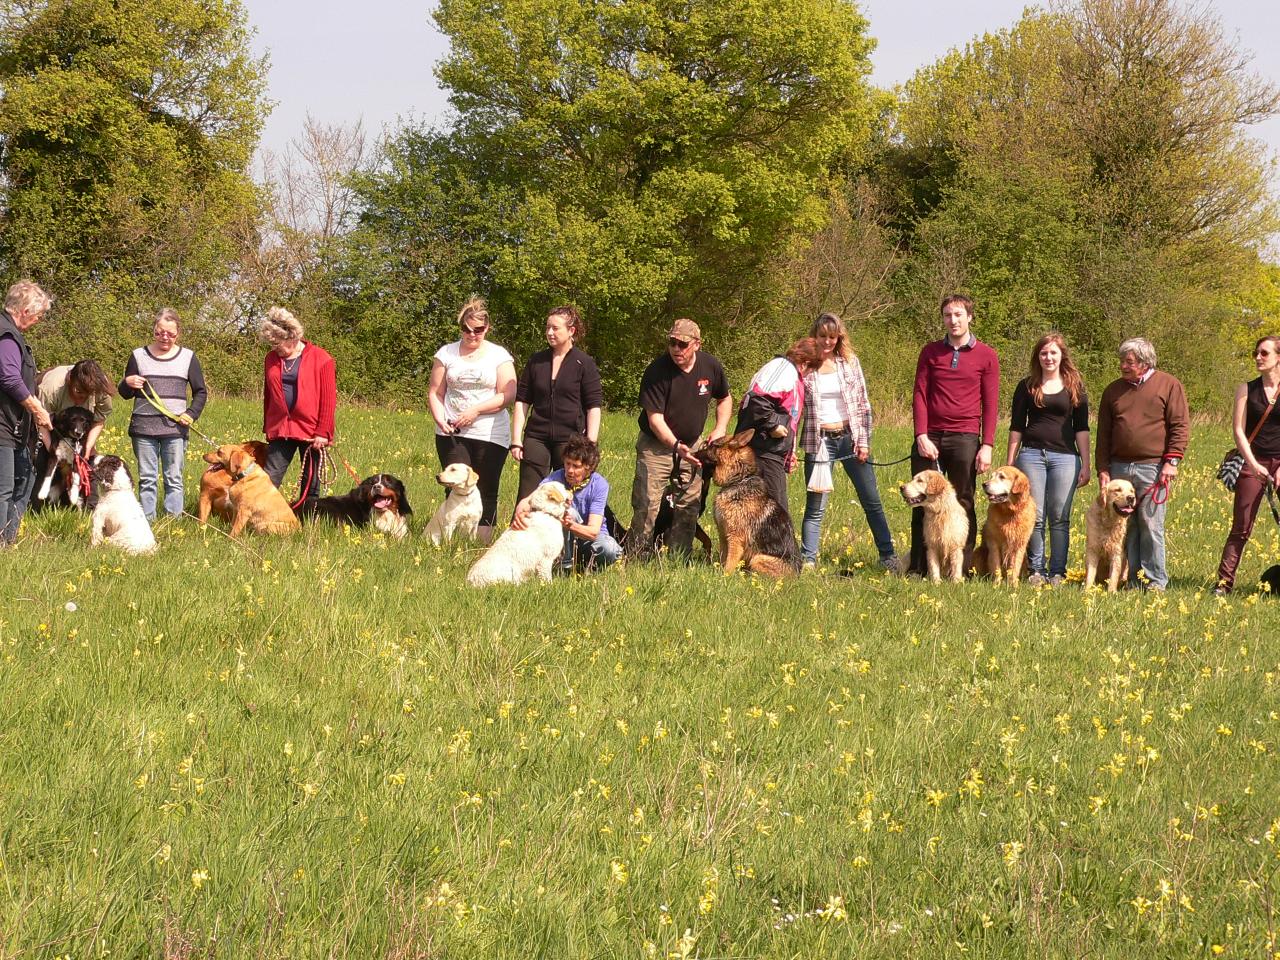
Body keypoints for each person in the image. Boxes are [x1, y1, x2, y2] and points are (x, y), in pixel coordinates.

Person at [799, 313, 899, 573]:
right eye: (822, 336)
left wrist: (863, 443)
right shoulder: (805, 366)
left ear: (839, 337)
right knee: (816, 505)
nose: (827, 342)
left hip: (850, 438)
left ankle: (887, 555)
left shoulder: (850, 363)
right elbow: (794, 407)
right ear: (815, 336)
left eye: (832, 337)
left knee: (871, 499)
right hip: (819, 441)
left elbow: (863, 405)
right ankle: (808, 560)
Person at [909, 294, 1000, 576]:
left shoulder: (987, 355)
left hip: (965, 436)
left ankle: (963, 568)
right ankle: (919, 567)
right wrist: (921, 435)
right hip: (930, 436)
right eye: (948, 315)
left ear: (970, 317)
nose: (953, 320)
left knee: (963, 500)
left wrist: (986, 445)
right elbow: (920, 394)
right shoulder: (931, 352)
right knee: (919, 499)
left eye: (959, 314)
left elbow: (991, 403)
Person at [627, 318, 732, 558]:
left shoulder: (710, 366)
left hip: (693, 445)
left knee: (689, 504)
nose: (676, 349)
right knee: (647, 504)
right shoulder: (656, 372)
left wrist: (720, 427)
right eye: (672, 343)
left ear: (697, 344)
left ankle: (678, 558)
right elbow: (655, 420)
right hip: (656, 446)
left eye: (682, 344)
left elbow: (725, 398)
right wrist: (676, 446)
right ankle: (636, 558)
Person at [1096, 337, 1189, 591]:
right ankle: (1134, 581)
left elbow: (1180, 426)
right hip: (1120, 468)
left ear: (1145, 363)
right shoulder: (1113, 391)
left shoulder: (1169, 385)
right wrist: (1103, 469)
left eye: (1129, 362)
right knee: (1126, 526)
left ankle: (1155, 581)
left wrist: (1171, 461)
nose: (1123, 366)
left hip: (1153, 467)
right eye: (1122, 361)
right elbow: (1103, 433)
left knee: (1150, 523)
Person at [1005, 333, 1091, 586]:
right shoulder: (1027, 385)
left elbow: (1082, 428)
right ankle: (1036, 570)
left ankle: (1057, 572)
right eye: (1044, 353)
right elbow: (1016, 426)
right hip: (1031, 455)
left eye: (1053, 352)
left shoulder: (1075, 386)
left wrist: (1086, 464)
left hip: (1065, 458)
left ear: (1062, 355)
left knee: (1060, 517)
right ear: (1038, 357)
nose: (1049, 357)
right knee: (1035, 516)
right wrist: (1010, 465)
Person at [429, 298, 516, 543]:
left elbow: (507, 394)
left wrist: (476, 410)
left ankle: (480, 545)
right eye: (466, 329)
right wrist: (441, 419)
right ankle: (449, 543)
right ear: (461, 327)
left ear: (486, 329)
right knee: (454, 483)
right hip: (452, 433)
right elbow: (435, 392)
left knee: (486, 490)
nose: (471, 335)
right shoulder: (446, 353)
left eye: (477, 330)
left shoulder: (499, 355)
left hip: (490, 433)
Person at [118, 308, 208, 519]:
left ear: (178, 334)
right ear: (154, 331)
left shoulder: (188, 357)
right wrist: (127, 383)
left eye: (170, 333)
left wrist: (191, 413)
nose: (164, 337)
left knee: (173, 477)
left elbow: (201, 392)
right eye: (160, 332)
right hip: (143, 428)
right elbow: (124, 394)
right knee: (147, 478)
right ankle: (146, 521)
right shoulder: (138, 356)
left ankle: (172, 521)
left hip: (175, 429)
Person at [511, 305, 603, 504]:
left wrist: (590, 444)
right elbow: (522, 401)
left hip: (570, 441)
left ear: (571, 331)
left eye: (555, 328)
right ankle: (523, 533)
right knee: (528, 497)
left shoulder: (584, 363)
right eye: (547, 328)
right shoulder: (536, 361)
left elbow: (593, 406)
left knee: (567, 498)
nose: (550, 332)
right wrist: (516, 439)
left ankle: (569, 535)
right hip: (536, 438)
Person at [1213, 336, 1280, 595]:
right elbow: (1239, 432)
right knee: (1241, 527)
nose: (1258, 358)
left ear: (1278, 357)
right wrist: (1253, 465)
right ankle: (1223, 584)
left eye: (1264, 353)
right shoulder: (1246, 389)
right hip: (1253, 460)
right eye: (1256, 353)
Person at [736, 337, 823, 511]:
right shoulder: (783, 370)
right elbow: (757, 400)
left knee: (771, 515)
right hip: (761, 453)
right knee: (775, 516)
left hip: (771, 453)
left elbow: (787, 413)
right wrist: (773, 426)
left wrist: (789, 451)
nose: (809, 375)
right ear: (805, 363)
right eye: (812, 370)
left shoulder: (789, 372)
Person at [512, 434, 621, 571]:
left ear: (589, 468)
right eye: (567, 463)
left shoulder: (599, 485)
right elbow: (529, 500)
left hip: (588, 539)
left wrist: (570, 524)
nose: (569, 471)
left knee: (611, 550)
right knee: (568, 512)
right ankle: (563, 567)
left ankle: (587, 568)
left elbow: (593, 532)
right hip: (561, 539)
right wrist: (520, 512)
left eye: (576, 466)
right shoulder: (556, 477)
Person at [259, 307, 337, 495]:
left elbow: (329, 400)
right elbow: (269, 394)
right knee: (268, 480)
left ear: (292, 336)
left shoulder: (322, 358)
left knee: (311, 483)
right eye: (272, 344)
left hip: (312, 431)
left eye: (278, 343)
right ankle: (261, 519)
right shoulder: (270, 359)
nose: (275, 348)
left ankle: (308, 521)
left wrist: (323, 432)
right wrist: (268, 427)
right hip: (281, 428)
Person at [0, 281, 54, 545]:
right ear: (24, 310)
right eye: (38, 314)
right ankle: (2, 545)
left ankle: (8, 543)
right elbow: (9, 379)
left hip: (14, 427)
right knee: (4, 489)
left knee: (25, 478)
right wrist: (38, 409)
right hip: (3, 426)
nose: (38, 320)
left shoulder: (11, 334)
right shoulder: (6, 336)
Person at [36, 358, 114, 458]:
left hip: (76, 423)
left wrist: (88, 448)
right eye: (79, 392)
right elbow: (40, 422)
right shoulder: (51, 389)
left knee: (87, 456)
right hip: (46, 414)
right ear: (70, 381)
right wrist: (53, 452)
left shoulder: (101, 389)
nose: (81, 399)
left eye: (88, 395)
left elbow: (99, 421)